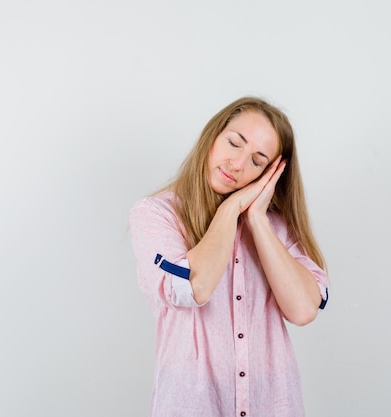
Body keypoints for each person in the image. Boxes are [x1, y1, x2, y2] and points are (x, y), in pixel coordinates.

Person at [128, 96, 329, 417]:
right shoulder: (156, 215)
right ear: (213, 135)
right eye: (234, 143)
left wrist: (259, 221)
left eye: (257, 161)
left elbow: (305, 309)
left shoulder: (278, 228)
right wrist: (231, 208)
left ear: (270, 175)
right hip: (192, 406)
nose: (237, 164)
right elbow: (194, 288)